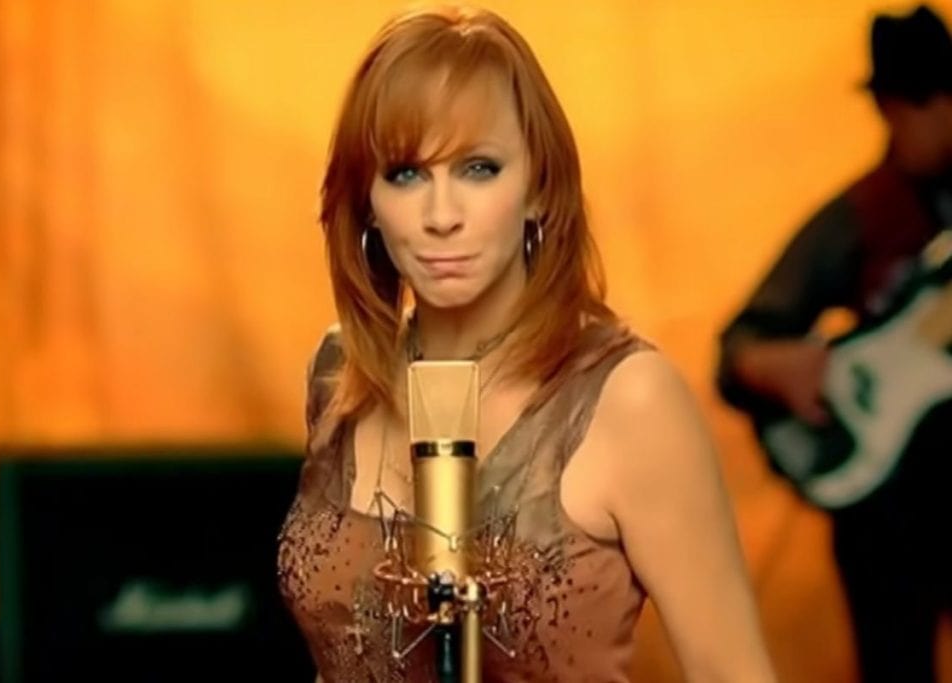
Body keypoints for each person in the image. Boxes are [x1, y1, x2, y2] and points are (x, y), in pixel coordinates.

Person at [278, 6, 775, 682]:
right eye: (406, 173)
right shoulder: (338, 375)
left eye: (478, 168)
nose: (441, 215)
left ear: (538, 187)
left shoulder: (629, 399)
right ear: (366, 201)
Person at [717, 5, 952, 682]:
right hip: (888, 519)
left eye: (914, 104)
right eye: (889, 106)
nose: (896, 122)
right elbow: (740, 342)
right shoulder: (859, 213)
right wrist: (774, 366)